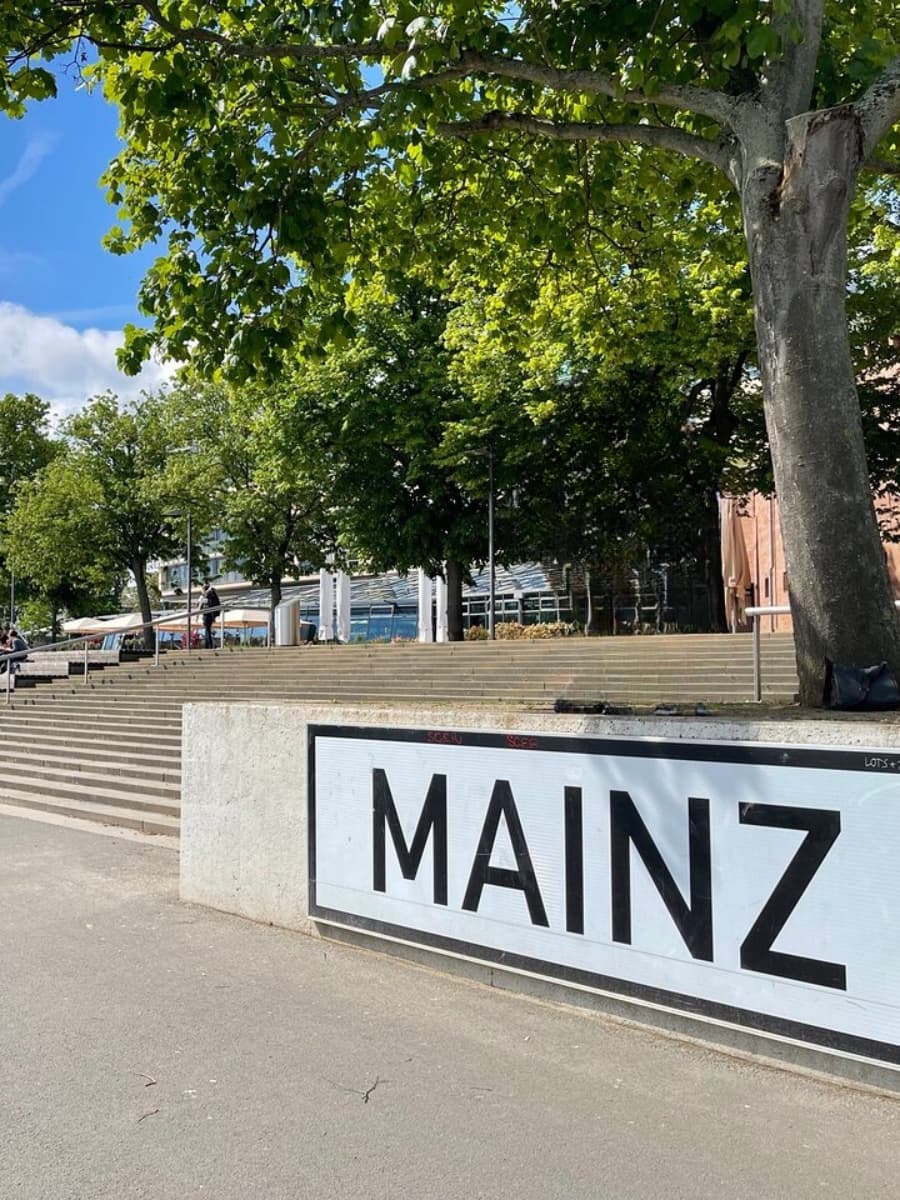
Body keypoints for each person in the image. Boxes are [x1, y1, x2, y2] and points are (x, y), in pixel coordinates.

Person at [198, 582, 221, 649]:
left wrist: (199, 608)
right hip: (210, 615)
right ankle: (208, 645)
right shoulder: (211, 594)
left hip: (207, 614)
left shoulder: (207, 595)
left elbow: (204, 605)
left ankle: (209, 646)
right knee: (207, 629)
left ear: (204, 589)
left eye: (201, 589)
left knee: (207, 630)